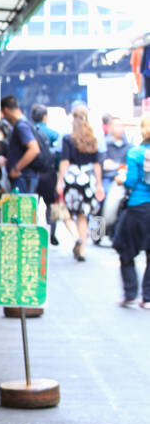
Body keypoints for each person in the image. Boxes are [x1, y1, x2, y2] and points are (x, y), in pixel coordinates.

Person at [55, 105, 105, 261]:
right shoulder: (93, 138)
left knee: (64, 212)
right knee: (82, 215)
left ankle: (76, 237)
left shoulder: (68, 138)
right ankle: (82, 250)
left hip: (71, 177)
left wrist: (60, 180)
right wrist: (98, 184)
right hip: (88, 178)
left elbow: (65, 161)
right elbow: (97, 164)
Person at [112, 114, 150, 307]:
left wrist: (120, 180)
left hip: (137, 207)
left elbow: (131, 182)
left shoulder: (135, 153)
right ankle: (148, 297)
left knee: (124, 248)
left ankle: (130, 293)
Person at [30, 105, 61, 244]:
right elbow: (60, 155)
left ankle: (30, 231)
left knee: (32, 204)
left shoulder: (29, 131)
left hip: (33, 173)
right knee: (52, 205)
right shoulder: (54, 134)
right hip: (50, 174)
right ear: (45, 117)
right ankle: (52, 232)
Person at [1, 95, 42, 193]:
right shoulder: (23, 124)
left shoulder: (21, 126)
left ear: (6, 110)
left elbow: (34, 149)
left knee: (23, 208)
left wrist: (16, 168)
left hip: (24, 178)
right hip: (25, 177)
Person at [100, 114, 131, 188]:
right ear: (110, 127)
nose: (120, 128)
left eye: (121, 125)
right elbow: (104, 165)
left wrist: (117, 166)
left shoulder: (129, 146)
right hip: (107, 179)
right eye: (117, 125)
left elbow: (130, 166)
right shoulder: (104, 144)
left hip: (124, 179)